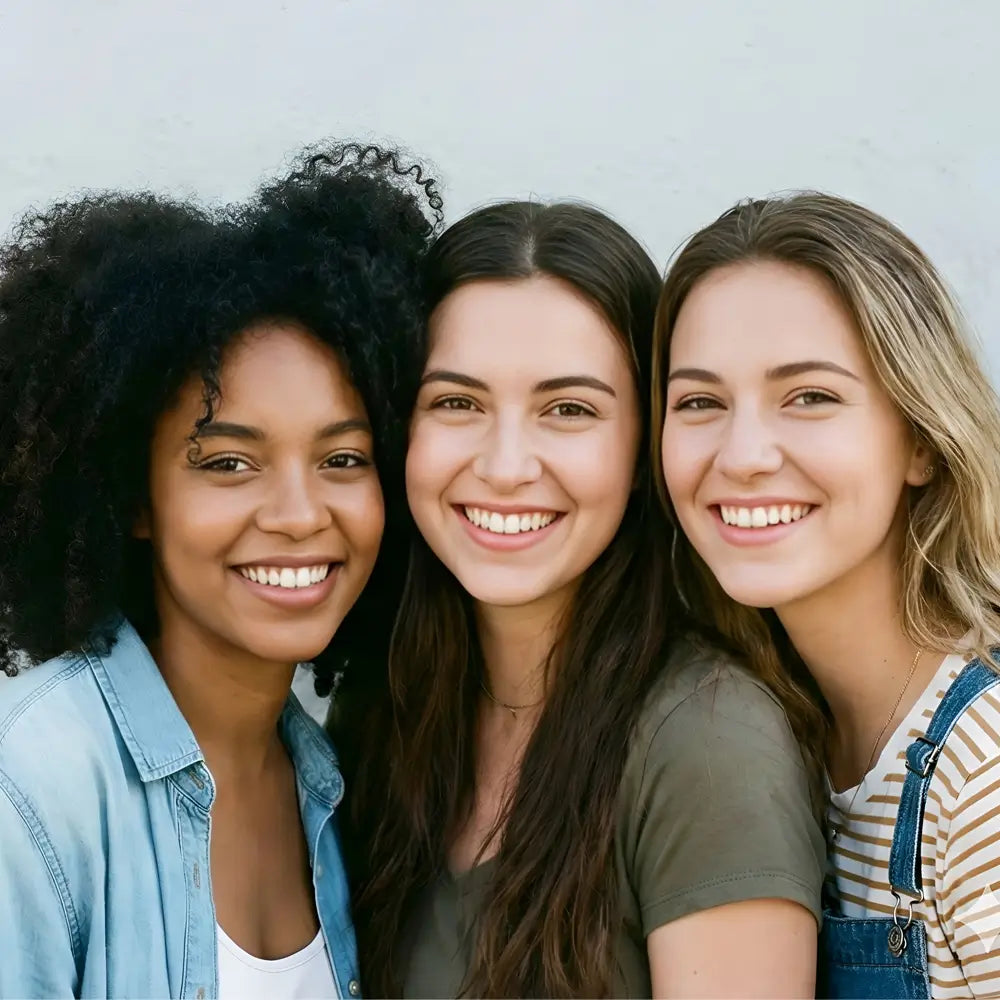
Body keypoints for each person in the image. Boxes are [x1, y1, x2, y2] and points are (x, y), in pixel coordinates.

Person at [341, 201, 825, 998]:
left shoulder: (705, 744)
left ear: (645, 448)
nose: (504, 466)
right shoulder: (385, 708)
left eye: (568, 410)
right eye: (456, 402)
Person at [0, 144, 440, 998]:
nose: (299, 514)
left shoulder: (331, 779)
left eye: (343, 459)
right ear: (132, 496)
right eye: (229, 464)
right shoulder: (31, 788)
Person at [654, 192, 1000, 998]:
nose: (742, 455)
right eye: (700, 401)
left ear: (920, 436)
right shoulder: (777, 728)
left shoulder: (979, 778)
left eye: (809, 396)